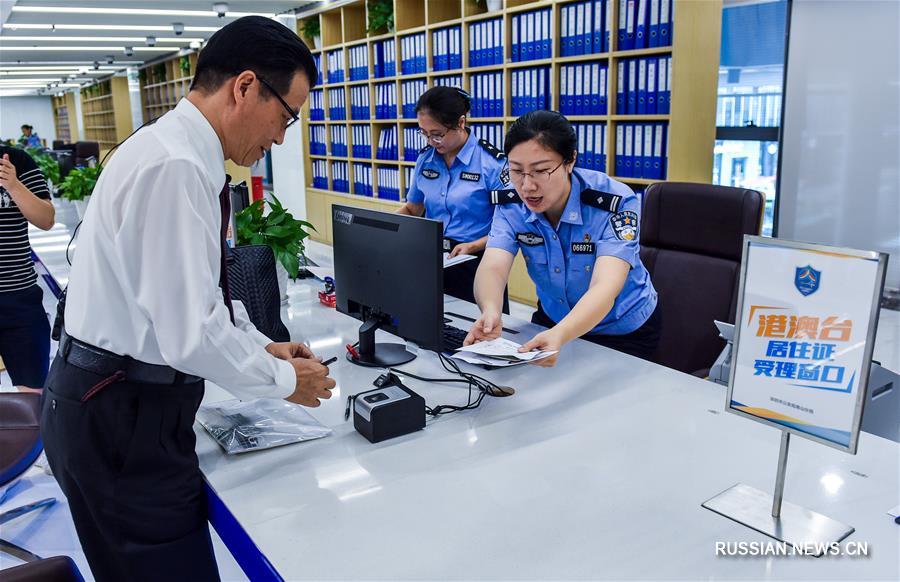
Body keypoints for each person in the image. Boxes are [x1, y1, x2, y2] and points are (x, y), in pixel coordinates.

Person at [40, 17, 333, 582]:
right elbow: (189, 332)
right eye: (286, 116)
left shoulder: (177, 152)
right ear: (245, 87)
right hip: (121, 418)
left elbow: (203, 294)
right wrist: (284, 382)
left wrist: (262, 346)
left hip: (111, 405)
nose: (280, 137)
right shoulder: (174, 167)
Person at [464, 111, 660, 365]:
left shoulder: (615, 202)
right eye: (516, 171)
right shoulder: (511, 201)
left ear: (570, 161)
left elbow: (606, 286)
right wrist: (491, 310)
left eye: (541, 171)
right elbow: (493, 265)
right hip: (553, 318)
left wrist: (561, 334)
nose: (527, 186)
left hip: (622, 328)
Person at [397, 86, 511, 309]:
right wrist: (384, 227)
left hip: (477, 263)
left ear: (460, 122)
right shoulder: (426, 159)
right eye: (424, 133)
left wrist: (473, 246)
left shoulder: (492, 164)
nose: (431, 141)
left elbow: (508, 228)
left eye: (437, 134)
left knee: (479, 335)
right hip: (432, 258)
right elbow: (413, 209)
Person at [0, 145, 55, 392]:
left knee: (35, 397)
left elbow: (46, 220)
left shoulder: (15, 160)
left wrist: (13, 185)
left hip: (19, 300)